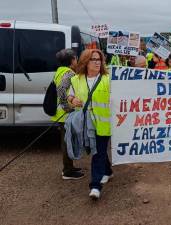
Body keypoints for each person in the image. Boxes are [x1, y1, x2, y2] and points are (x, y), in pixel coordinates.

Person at [67, 49, 112, 200]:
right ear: (86, 62)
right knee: (99, 150)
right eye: (94, 59)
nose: (98, 62)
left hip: (103, 123)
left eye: (99, 59)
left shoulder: (108, 79)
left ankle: (95, 186)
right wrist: (73, 100)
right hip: (86, 122)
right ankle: (107, 171)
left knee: (97, 151)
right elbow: (69, 95)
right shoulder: (76, 79)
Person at [53, 49, 84, 180]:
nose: (77, 61)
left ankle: (69, 167)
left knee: (66, 141)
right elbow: (61, 89)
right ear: (72, 61)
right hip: (65, 114)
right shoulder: (69, 73)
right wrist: (67, 106)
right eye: (76, 59)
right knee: (67, 142)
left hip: (60, 112)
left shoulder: (59, 71)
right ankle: (67, 171)